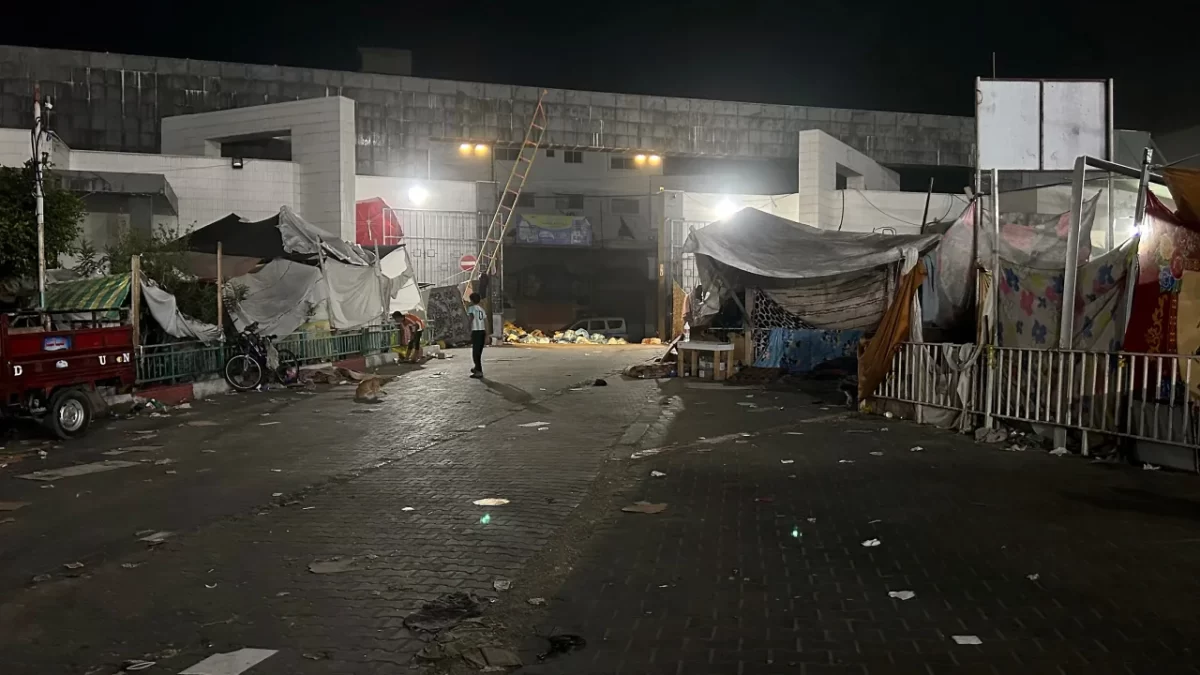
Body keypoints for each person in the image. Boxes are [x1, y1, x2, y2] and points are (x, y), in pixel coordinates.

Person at [467, 292, 487, 378]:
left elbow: (471, 319)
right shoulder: (482, 309)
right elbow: (486, 322)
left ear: (471, 300)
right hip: (482, 331)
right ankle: (477, 368)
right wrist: (487, 334)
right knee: (479, 352)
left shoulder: (471, 308)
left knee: (475, 353)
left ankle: (479, 371)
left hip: (476, 331)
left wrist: (468, 328)